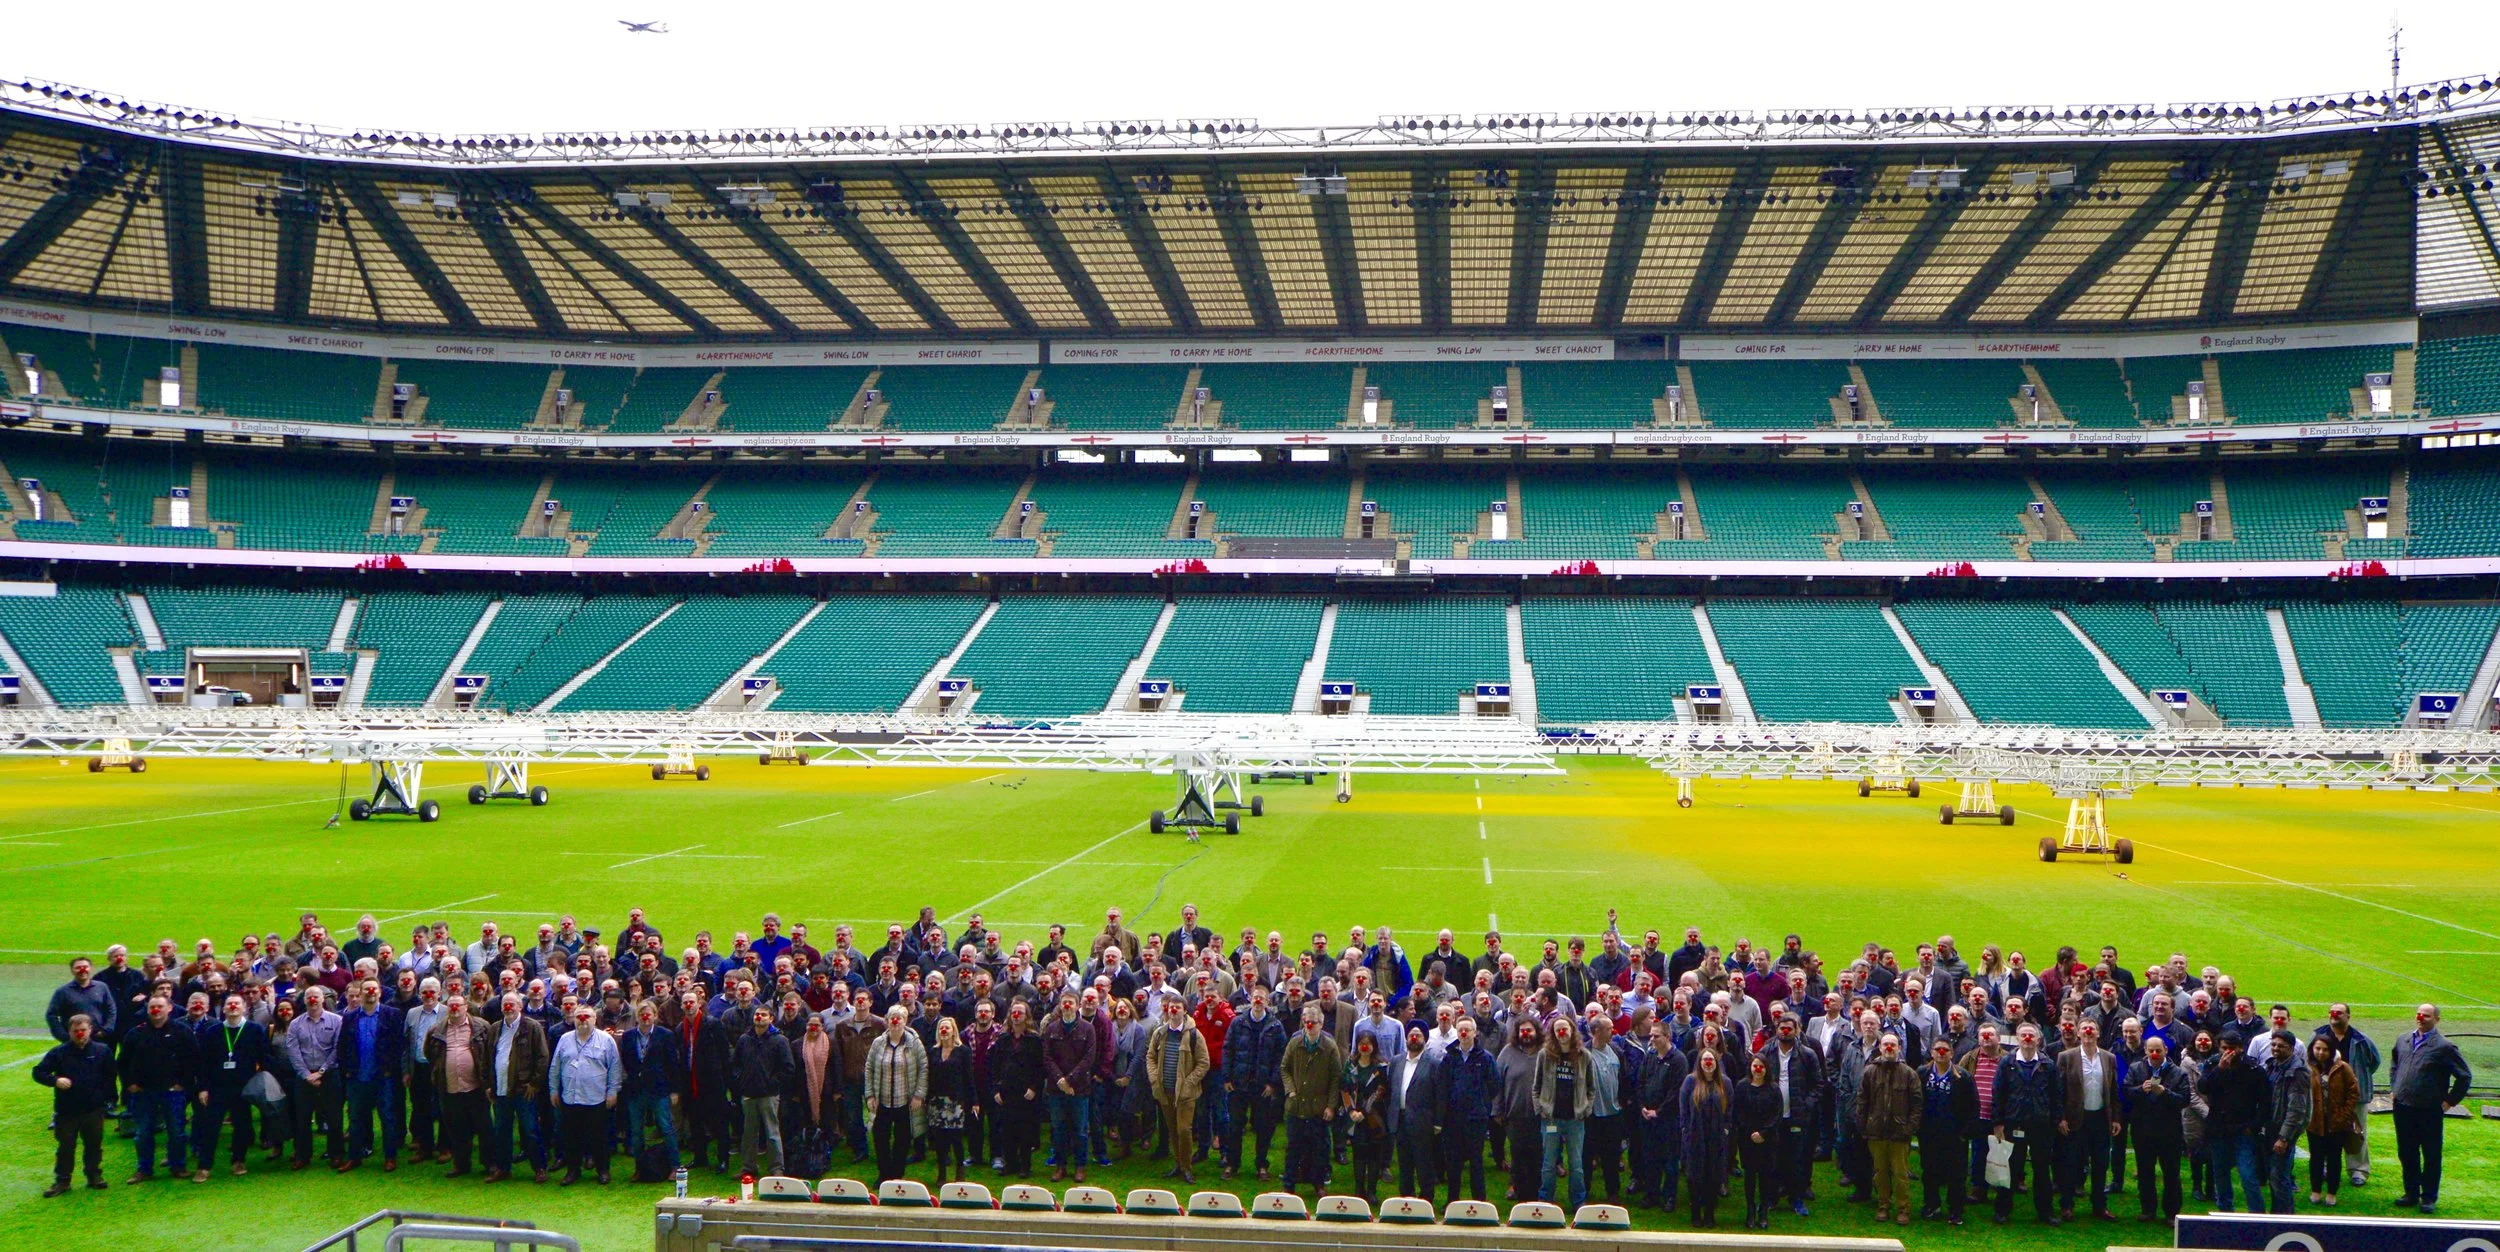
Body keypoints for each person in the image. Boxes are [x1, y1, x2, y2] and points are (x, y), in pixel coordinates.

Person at [2389, 1003, 2471, 1215]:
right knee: (2406, 1152)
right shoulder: (2403, 1039)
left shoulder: (2444, 1046)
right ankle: (2411, 1193)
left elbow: (2464, 1076)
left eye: (2426, 1016)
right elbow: (2394, 1063)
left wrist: (2449, 1102)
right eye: (2419, 1015)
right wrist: (2395, 1088)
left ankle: (2428, 1197)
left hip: (2429, 1110)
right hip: (2403, 1107)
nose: (2421, 1018)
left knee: (2431, 1154)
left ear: (2436, 1020)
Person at [35, 1014, 116, 1197]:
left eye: (83, 1030)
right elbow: (38, 1072)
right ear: (69, 1032)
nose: (80, 1034)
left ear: (91, 1030)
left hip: (93, 1109)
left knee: (94, 1144)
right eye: (75, 1031)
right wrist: (55, 1080)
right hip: (67, 1111)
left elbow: (110, 1077)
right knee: (66, 1147)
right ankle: (62, 1181)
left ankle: (94, 1176)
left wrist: (107, 1100)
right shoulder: (59, 1053)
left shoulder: (103, 1051)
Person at [120, 996, 197, 1185]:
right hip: (143, 1093)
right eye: (152, 1007)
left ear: (170, 1008)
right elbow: (122, 1062)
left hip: (173, 1092)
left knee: (176, 1132)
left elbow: (193, 1059)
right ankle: (144, 1170)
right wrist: (129, 1084)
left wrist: (183, 1083)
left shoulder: (181, 1031)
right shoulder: (135, 1033)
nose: (156, 1010)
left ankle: (177, 1166)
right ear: (147, 1010)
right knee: (143, 1133)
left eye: (160, 1006)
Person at [1992, 1022, 2062, 1226]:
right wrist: (1998, 1123)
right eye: (2023, 1036)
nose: (2027, 1039)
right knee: (2011, 1169)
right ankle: (2002, 1210)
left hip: (2041, 1126)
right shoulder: (2007, 1063)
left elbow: (2056, 1095)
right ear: (2017, 1038)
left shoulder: (2048, 1065)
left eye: (2031, 1036)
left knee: (2042, 1170)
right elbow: (1998, 1094)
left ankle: (2045, 1212)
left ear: (2039, 1040)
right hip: (2014, 1124)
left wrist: (2054, 1121)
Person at [194, 994, 270, 1182]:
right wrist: (203, 1088)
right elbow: (203, 1062)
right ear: (224, 1009)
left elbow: (264, 1058)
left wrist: (264, 1084)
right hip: (217, 1087)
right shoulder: (213, 1032)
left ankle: (238, 1160)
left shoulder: (255, 1030)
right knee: (210, 1126)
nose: (233, 1006)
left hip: (244, 1087)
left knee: (242, 1125)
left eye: (237, 1003)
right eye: (229, 1004)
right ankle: (204, 1166)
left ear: (244, 1008)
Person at [548, 1006, 623, 1185]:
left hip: (596, 1097)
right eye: (579, 1016)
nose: (582, 1019)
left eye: (586, 1016)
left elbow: (615, 1067)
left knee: (599, 1138)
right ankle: (573, 1171)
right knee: (571, 1137)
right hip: (570, 1097)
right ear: (573, 1019)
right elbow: (555, 1066)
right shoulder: (565, 1039)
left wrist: (612, 1091)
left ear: (594, 1019)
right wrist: (553, 1090)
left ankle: (603, 1170)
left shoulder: (606, 1040)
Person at [2056, 1019, 2122, 1221]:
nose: (2087, 1032)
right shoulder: (2066, 1057)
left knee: (2101, 1163)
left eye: (2091, 1029)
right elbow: (2058, 1091)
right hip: (2076, 1118)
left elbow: (2113, 1090)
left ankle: (2099, 1206)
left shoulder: (2109, 1058)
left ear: (2098, 1033)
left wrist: (2116, 1118)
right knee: (2071, 1163)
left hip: (2100, 1118)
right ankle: (2067, 1205)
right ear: (2078, 1033)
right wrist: (2061, 1118)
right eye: (2084, 1029)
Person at [336, 980, 404, 1174]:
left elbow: (398, 1045)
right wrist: (347, 1070)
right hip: (357, 1077)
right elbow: (342, 1046)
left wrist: (389, 1069)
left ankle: (390, 1157)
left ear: (380, 993)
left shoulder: (391, 1015)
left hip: (382, 1077)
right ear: (361, 993)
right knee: (356, 1119)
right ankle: (354, 1157)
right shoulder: (349, 1017)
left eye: (374, 989)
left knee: (387, 1118)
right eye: (366, 989)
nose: (371, 992)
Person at [483, 992, 550, 1183]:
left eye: (512, 1004)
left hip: (523, 1089)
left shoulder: (532, 1027)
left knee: (529, 1130)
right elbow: (487, 1059)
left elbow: (543, 1057)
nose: (508, 1007)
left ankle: (539, 1168)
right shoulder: (495, 1028)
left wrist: (535, 1084)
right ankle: (503, 1169)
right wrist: (488, 1085)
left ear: (520, 1006)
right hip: (500, 1089)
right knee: (501, 1130)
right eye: (505, 1004)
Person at [2198, 1031, 2268, 1213]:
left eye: (2232, 1048)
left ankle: (2257, 1214)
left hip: (2243, 1129)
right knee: (2220, 1173)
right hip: (2219, 1129)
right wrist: (2220, 1070)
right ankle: (2225, 1211)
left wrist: (2253, 1127)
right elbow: (2203, 1087)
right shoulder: (2213, 1064)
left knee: (2247, 1175)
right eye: (2224, 1048)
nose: (2228, 1052)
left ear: (2240, 1048)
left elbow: (2265, 1102)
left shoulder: (2254, 1070)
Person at [1222, 986, 1286, 1182]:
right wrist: (1226, 1078)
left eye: (1262, 999)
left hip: (1262, 1086)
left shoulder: (1275, 1027)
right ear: (1250, 1000)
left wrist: (1272, 1084)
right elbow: (1227, 1050)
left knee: (1263, 1128)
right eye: (1255, 998)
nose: (1258, 1002)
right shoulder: (1238, 1022)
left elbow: (1280, 1057)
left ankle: (1261, 1165)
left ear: (1267, 1002)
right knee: (1234, 1127)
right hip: (1239, 1084)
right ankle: (1232, 1164)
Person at [2311, 1003, 2379, 1188]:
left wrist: (2356, 1081)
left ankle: (2358, 1170)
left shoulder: (2361, 1039)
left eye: (2339, 1013)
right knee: (2324, 1129)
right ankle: (2325, 1166)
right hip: (2325, 1094)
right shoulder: (2318, 1035)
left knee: (2356, 1132)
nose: (2334, 1015)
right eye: (2332, 1012)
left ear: (2348, 1016)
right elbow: (2310, 1060)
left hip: (2353, 1095)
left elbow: (2374, 1062)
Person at [1856, 1032, 1918, 1226]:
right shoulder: (1869, 1072)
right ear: (1880, 1048)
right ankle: (1883, 1205)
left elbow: (1917, 1105)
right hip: (1876, 1132)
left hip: (1900, 1133)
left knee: (1900, 1173)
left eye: (1893, 1044)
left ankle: (1903, 1208)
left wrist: (1909, 1129)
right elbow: (1861, 1101)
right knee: (1880, 1171)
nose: (1889, 1048)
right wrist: (1864, 1126)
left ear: (1899, 1048)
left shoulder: (1909, 1073)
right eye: (1886, 1045)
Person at [2127, 1034, 2190, 1224]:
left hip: (2169, 1132)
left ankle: (2171, 1213)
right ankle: (2148, 1210)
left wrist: (2164, 1093)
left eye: (2158, 1051)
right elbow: (2126, 1091)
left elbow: (2184, 1100)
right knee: (2145, 1173)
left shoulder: (2178, 1073)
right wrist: (2141, 1090)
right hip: (2142, 1131)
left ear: (2165, 1051)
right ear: (2145, 1051)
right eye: (2151, 1050)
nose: (2154, 1054)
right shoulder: (2136, 1068)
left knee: (2171, 1174)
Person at [1278, 1004, 1339, 1198]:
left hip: (1318, 1108)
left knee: (1319, 1148)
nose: (1309, 1026)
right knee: (1293, 1147)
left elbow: (1336, 1078)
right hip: (1296, 1106)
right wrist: (1290, 1090)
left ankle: (1318, 1183)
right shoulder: (1295, 1043)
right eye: (1306, 1023)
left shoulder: (1329, 1047)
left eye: (1313, 1023)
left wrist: (1331, 1106)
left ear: (1321, 1024)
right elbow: (1284, 1068)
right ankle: (1289, 1183)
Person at [618, 1000, 683, 1174]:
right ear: (637, 1017)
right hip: (636, 1089)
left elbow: (672, 1063)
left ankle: (675, 1166)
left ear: (655, 1016)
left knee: (666, 1127)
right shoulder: (628, 1036)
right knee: (637, 1131)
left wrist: (674, 1090)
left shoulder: (665, 1035)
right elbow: (626, 1061)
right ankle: (640, 1168)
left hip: (659, 1088)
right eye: (642, 1015)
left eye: (649, 1015)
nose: (645, 1018)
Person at [1535, 1016, 1593, 1210]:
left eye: (1565, 1029)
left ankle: (1578, 1201)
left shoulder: (1584, 1056)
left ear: (1572, 1030)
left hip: (1575, 1120)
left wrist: (1587, 1108)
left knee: (1576, 1164)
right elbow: (1536, 1086)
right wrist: (1540, 1108)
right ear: (1552, 1033)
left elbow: (1591, 1088)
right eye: (1557, 1029)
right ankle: (1545, 1199)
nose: (1562, 1033)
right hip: (1551, 1119)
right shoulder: (1545, 1055)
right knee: (1549, 1162)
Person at [864, 1005, 927, 1183]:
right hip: (882, 1100)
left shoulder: (914, 1043)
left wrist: (919, 1095)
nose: (895, 1020)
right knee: (880, 1138)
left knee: (903, 1139)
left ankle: (897, 1174)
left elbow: (923, 1068)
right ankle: (884, 1173)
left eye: (899, 1017)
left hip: (905, 1101)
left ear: (905, 1021)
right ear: (886, 1020)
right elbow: (869, 1068)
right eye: (892, 1017)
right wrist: (870, 1095)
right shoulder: (878, 1043)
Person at [1916, 1039, 1975, 1225]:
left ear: (1952, 1053)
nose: (1941, 1053)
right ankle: (1931, 1204)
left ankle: (1956, 1209)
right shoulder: (1922, 1074)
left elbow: (1973, 1106)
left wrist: (1964, 1133)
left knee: (1956, 1175)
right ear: (1932, 1052)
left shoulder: (1962, 1077)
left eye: (1945, 1050)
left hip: (1955, 1135)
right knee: (1929, 1171)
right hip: (1929, 1134)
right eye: (1938, 1050)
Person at [731, 1005, 793, 1178]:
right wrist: (741, 1081)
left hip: (769, 1095)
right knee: (749, 1133)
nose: (759, 1017)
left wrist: (772, 1084)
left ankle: (776, 1168)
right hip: (748, 1094)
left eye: (763, 1015)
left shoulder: (779, 1040)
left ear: (771, 1018)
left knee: (772, 1133)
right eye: (757, 1014)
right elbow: (735, 1064)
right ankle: (748, 1168)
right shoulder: (745, 1039)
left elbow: (788, 1068)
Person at [1440, 1017, 1497, 1202]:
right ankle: (1452, 1202)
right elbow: (1442, 1085)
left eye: (1467, 1030)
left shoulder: (1485, 1058)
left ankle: (1480, 1202)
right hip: (1453, 1119)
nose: (1464, 1034)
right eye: (1460, 1030)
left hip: (1476, 1118)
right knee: (1453, 1163)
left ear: (1475, 1033)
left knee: (1476, 1161)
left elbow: (1495, 1085)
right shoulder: (1449, 1058)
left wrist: (1482, 1103)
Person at [1040, 993, 1095, 1184]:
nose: (1068, 1006)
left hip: (1079, 1089)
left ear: (1078, 1005)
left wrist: (1070, 1080)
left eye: (1071, 1003)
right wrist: (1060, 1080)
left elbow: (1088, 1058)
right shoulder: (1051, 1029)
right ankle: (1060, 1166)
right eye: (1064, 1003)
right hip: (1056, 1089)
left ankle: (1080, 1167)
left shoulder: (1088, 1029)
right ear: (1060, 1006)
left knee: (1080, 1130)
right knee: (1059, 1129)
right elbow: (1046, 1057)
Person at [1390, 1024, 1442, 1205]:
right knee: (1404, 1164)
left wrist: (1437, 1122)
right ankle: (1406, 1199)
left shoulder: (1434, 1064)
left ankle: (1426, 1200)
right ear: (1405, 1038)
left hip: (1422, 1121)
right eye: (1411, 1035)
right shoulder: (1396, 1061)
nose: (1414, 1038)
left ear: (1425, 1040)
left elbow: (1439, 1095)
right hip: (1400, 1119)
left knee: (1423, 1163)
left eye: (1418, 1035)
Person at [2305, 1034, 2358, 1208]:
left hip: (2337, 1123)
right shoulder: (2308, 1068)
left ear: (2332, 1051)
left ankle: (2332, 1192)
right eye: (2317, 1048)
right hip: (2315, 1122)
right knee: (2316, 1158)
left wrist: (2344, 1114)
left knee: (2334, 1158)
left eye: (2325, 1049)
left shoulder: (2342, 1068)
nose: (2321, 1053)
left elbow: (2353, 1091)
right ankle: (2315, 1190)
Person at [2262, 1028, 2311, 1214]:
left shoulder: (2297, 1072)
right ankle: (2278, 1216)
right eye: (2273, 1045)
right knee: (2273, 1176)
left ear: (2291, 1048)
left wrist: (2284, 1137)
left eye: (2280, 1046)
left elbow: (2297, 1109)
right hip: (2271, 1128)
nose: (2275, 1049)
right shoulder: (2272, 1065)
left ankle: (2285, 1219)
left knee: (2279, 1177)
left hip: (2283, 1132)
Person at [1733, 1053, 1783, 1230]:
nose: (1758, 1069)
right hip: (1747, 1140)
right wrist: (1750, 1133)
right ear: (1750, 1067)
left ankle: (1763, 1211)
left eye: (1761, 1066)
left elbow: (1777, 1115)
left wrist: (1763, 1133)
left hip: (1767, 1140)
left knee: (1765, 1176)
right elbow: (1738, 1113)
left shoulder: (1774, 1089)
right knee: (1749, 1177)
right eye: (1755, 1066)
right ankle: (1750, 1210)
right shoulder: (1741, 1087)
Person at [1344, 1034, 1391, 1199]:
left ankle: (1371, 1190)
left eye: (1368, 1044)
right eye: (1361, 1044)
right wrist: (1351, 1111)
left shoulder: (1381, 1067)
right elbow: (1344, 1089)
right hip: (1355, 1119)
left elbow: (1381, 1092)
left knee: (1373, 1155)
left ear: (1374, 1046)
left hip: (1375, 1118)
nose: (1365, 1047)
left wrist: (1363, 1112)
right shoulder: (1350, 1066)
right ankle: (1359, 1189)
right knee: (1358, 1155)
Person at [926, 1017, 971, 1185]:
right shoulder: (933, 1051)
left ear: (953, 1031)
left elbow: (968, 1077)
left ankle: (960, 1170)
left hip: (955, 1101)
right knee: (939, 1139)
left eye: (947, 1028)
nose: (944, 1031)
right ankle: (942, 1173)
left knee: (956, 1138)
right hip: (936, 1101)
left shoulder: (963, 1051)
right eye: (941, 1028)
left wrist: (973, 1100)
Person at [46, 958, 116, 1044]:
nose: (82, 970)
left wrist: (106, 1030)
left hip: (98, 1038)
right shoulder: (63, 991)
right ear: (72, 971)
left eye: (85, 967)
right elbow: (51, 1015)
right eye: (78, 967)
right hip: (73, 1040)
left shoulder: (102, 987)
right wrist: (62, 1035)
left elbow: (111, 1009)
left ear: (91, 968)